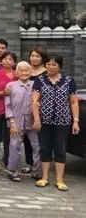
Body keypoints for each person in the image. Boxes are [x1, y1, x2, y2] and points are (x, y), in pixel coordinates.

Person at [32, 55, 80, 191]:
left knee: (60, 149)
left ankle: (60, 180)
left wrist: (75, 121)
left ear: (59, 66)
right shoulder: (40, 80)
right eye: (48, 64)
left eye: (54, 65)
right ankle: (44, 178)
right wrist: (37, 120)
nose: (50, 67)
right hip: (44, 121)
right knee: (45, 148)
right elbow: (34, 101)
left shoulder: (68, 81)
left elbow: (73, 102)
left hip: (63, 121)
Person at [5, 61, 40, 182]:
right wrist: (12, 122)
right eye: (21, 70)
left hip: (32, 121)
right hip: (16, 121)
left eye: (26, 70)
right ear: (17, 72)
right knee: (14, 145)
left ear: (31, 72)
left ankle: (37, 171)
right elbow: (8, 106)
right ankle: (13, 170)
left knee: (37, 146)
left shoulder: (36, 85)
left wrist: (38, 119)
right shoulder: (10, 86)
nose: (24, 73)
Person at [24, 47, 47, 174]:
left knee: (39, 139)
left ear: (42, 58)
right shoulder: (25, 71)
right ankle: (29, 163)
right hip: (25, 108)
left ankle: (40, 164)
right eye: (32, 55)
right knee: (27, 138)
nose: (34, 58)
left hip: (40, 108)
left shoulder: (46, 72)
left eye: (37, 56)